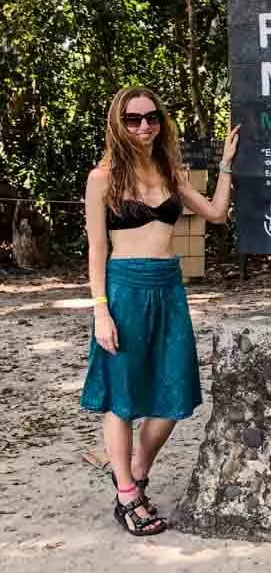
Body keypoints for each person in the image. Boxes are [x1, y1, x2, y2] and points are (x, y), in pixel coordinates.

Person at [80, 86, 239, 536]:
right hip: (124, 291)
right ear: (118, 123)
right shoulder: (103, 178)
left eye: (151, 118)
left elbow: (216, 213)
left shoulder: (171, 173)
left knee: (173, 392)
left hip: (169, 289)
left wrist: (226, 165)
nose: (144, 126)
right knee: (123, 395)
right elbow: (95, 250)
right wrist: (101, 312)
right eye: (133, 119)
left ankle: (133, 473)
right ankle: (129, 496)